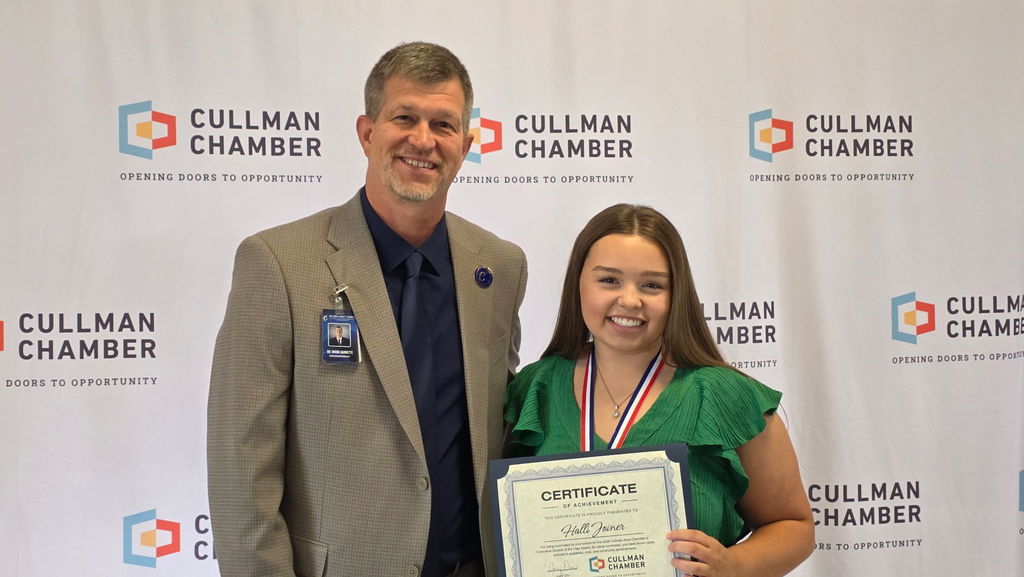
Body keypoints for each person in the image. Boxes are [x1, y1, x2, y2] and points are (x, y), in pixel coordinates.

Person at [208, 42, 528, 577]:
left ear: (468, 144)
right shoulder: (278, 263)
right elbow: (241, 465)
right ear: (367, 132)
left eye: (444, 125)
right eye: (405, 117)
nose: (423, 140)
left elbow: (501, 425)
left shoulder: (498, 267)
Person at [504, 204, 813, 577]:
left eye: (652, 285)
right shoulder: (534, 389)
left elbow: (795, 528)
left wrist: (732, 565)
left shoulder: (727, 397)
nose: (630, 300)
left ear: (676, 294)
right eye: (609, 280)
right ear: (578, 284)